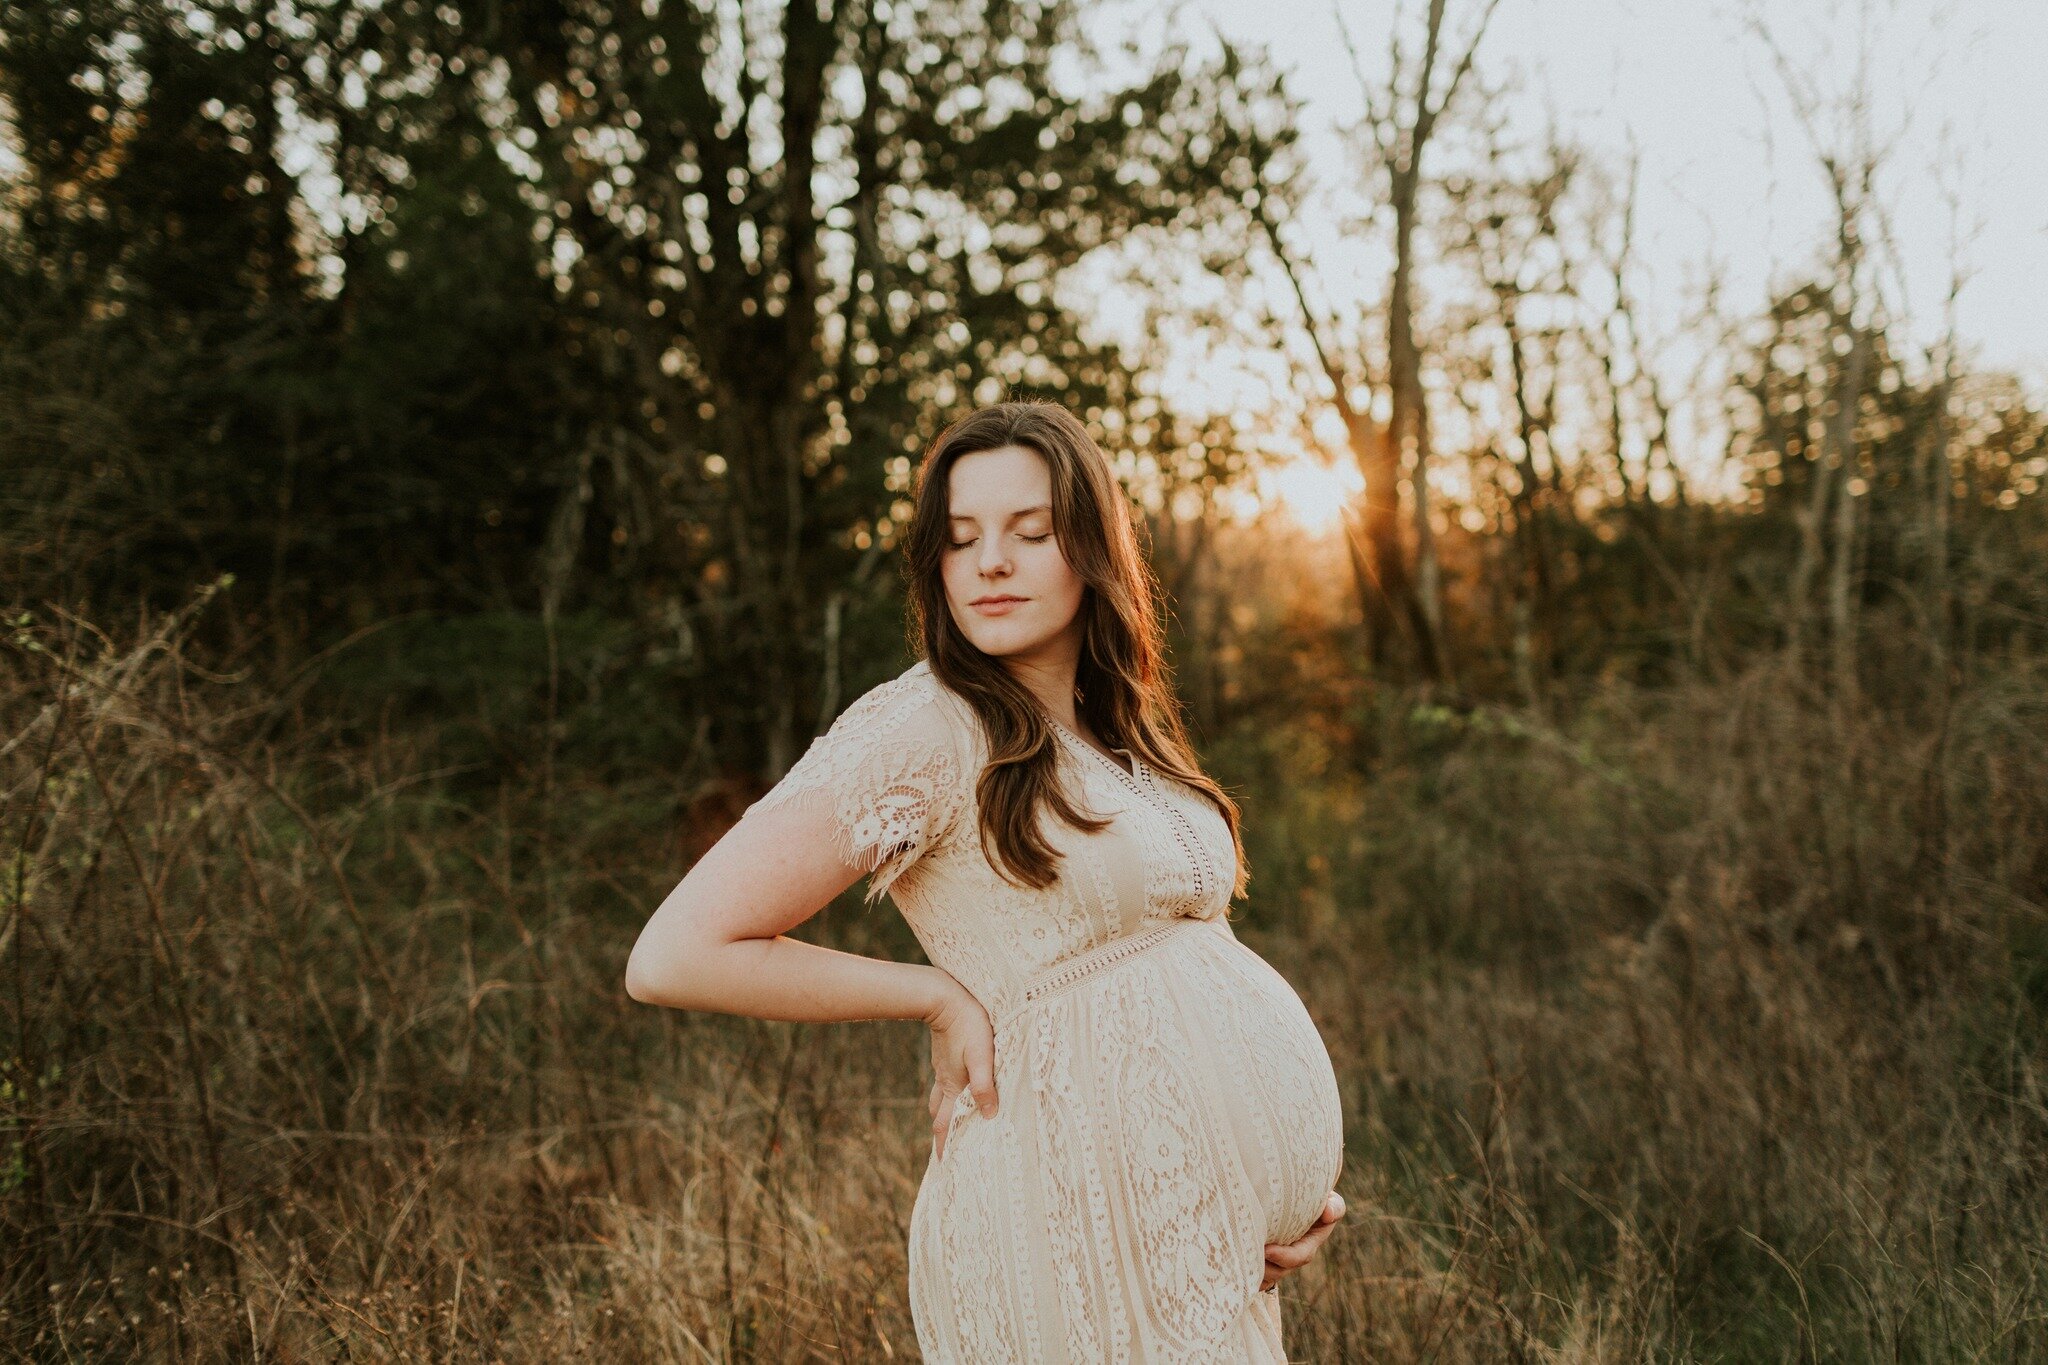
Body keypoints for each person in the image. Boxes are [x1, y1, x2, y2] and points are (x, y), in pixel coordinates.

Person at [626, 399, 1347, 1361]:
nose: (990, 562)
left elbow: (1190, 975)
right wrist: (934, 996)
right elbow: (673, 954)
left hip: (1202, 1254)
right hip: (1062, 1228)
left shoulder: (1122, 730)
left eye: (1030, 532)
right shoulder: (926, 725)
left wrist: (1281, 1178)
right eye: (960, 539)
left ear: (1092, 549)